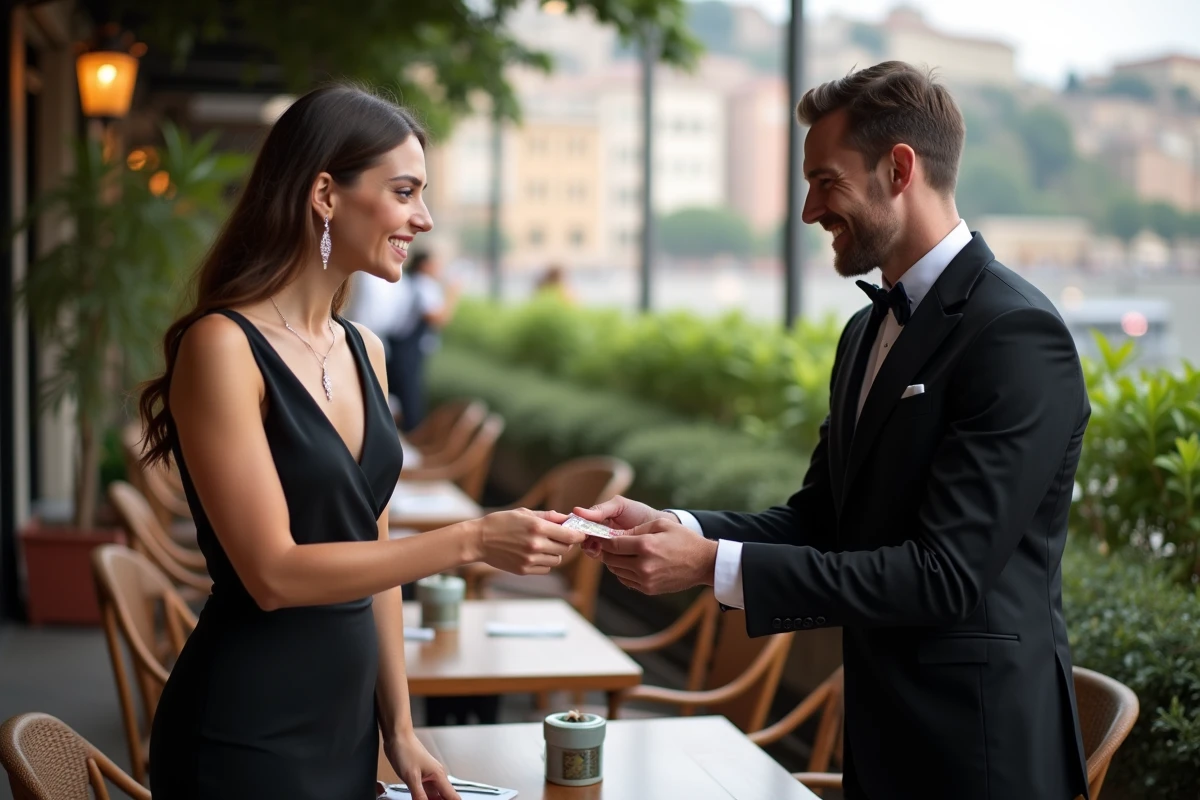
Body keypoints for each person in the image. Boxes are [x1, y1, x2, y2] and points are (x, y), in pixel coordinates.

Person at [574, 62, 1090, 800]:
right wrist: (675, 526)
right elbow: (820, 520)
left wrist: (711, 565)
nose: (811, 211)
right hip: (881, 744)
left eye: (826, 181)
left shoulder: (1016, 332)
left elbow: (943, 577)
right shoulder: (862, 332)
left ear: (900, 168)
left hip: (979, 758)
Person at [136, 84, 586, 800]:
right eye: (404, 191)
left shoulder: (364, 349)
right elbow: (273, 574)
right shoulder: (223, 347)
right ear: (325, 193)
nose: (425, 218)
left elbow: (377, 558)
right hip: (245, 732)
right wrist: (468, 540)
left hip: (347, 729)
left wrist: (400, 730)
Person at [384, 251, 457, 432]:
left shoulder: (410, 282)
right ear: (424, 265)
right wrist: (453, 295)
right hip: (407, 352)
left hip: (401, 349)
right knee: (409, 402)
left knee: (398, 399)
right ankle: (408, 446)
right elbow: (437, 318)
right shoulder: (424, 284)